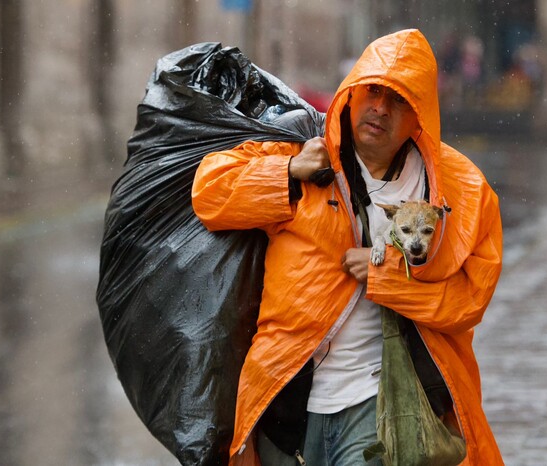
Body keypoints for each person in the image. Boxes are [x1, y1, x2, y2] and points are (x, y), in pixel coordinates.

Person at [192, 29, 503, 466]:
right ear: (351, 96)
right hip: (284, 398)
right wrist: (286, 171)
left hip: (380, 407)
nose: (380, 108)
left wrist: (387, 280)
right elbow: (208, 194)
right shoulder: (304, 148)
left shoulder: (461, 191)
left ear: (420, 116)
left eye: (398, 99)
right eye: (372, 91)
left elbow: (468, 302)